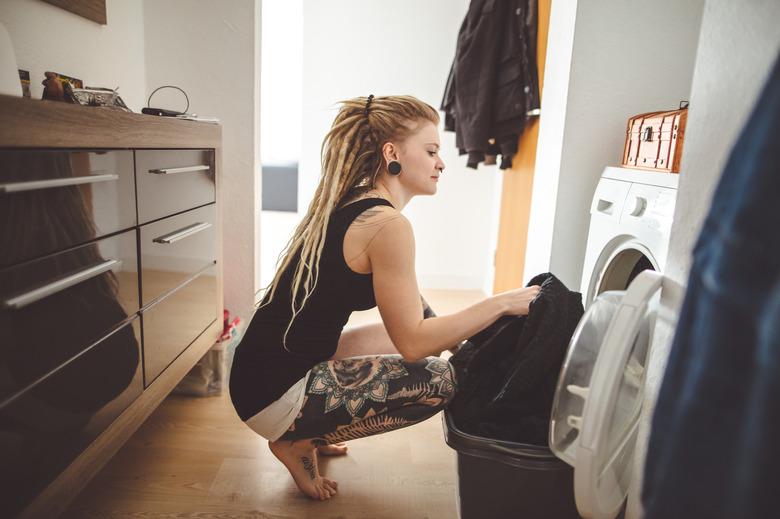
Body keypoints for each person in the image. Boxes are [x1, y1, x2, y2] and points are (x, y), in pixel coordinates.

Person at [228, 94, 540, 501]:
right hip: (272, 394)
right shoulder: (386, 224)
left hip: (257, 372)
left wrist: (470, 343)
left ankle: (309, 429)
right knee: (439, 381)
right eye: (431, 151)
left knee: (421, 314)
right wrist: (500, 304)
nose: (441, 163)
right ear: (392, 152)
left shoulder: (356, 202)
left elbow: (416, 316)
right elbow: (412, 344)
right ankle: (297, 437)